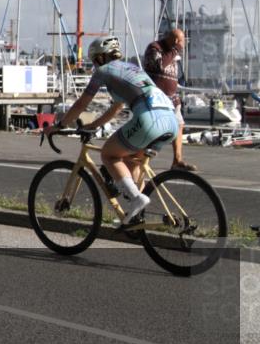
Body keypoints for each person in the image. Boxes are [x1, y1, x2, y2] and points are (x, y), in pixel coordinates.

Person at [47, 36, 179, 223]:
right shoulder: (132, 69)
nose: (94, 65)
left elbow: (81, 103)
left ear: (100, 58)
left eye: (94, 61)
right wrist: (92, 126)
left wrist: (59, 126)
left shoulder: (103, 71)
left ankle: (137, 199)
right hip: (171, 120)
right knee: (131, 162)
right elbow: (115, 109)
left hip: (150, 119)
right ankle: (137, 218)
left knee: (109, 155)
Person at [144, 29, 195, 171]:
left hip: (171, 98)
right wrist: (176, 50)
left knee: (179, 125)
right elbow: (160, 66)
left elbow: (171, 75)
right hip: (157, 98)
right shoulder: (155, 48)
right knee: (154, 131)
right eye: (182, 42)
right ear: (175, 41)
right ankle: (140, 160)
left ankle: (177, 160)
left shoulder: (173, 54)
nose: (183, 45)